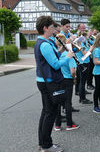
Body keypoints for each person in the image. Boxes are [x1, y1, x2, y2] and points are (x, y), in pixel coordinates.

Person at [34, 16, 74, 152]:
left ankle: (43, 143)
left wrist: (61, 51)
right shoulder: (44, 44)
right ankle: (46, 145)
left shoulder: (43, 42)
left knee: (46, 112)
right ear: (45, 28)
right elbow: (55, 65)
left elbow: (51, 57)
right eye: (52, 27)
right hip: (48, 82)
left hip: (44, 81)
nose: (54, 30)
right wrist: (68, 57)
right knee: (50, 114)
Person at [53, 33, 80, 131]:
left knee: (58, 102)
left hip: (58, 79)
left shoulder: (56, 53)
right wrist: (75, 77)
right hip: (67, 80)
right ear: (65, 42)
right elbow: (72, 71)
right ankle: (69, 124)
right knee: (68, 102)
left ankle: (57, 125)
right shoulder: (69, 53)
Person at [75, 31, 93, 103]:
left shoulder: (82, 44)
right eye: (85, 37)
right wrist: (91, 49)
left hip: (84, 63)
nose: (86, 38)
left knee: (82, 81)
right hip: (83, 63)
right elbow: (85, 54)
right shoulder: (80, 45)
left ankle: (81, 97)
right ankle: (82, 98)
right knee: (82, 82)